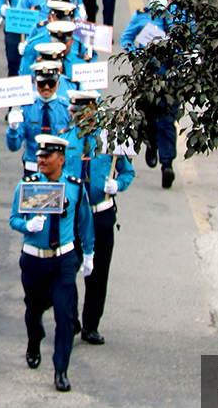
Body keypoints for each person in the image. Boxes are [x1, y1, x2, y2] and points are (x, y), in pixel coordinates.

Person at [10, 134, 94, 393]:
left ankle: (61, 369)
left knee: (65, 315)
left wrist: (88, 253)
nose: (40, 160)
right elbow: (14, 219)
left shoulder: (75, 186)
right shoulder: (28, 185)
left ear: (61, 159)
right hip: (35, 258)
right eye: (39, 156)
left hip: (63, 260)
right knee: (33, 311)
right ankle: (34, 340)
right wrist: (28, 225)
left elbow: (84, 221)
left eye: (46, 157)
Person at [73, 92, 135, 347]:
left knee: (98, 273)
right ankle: (70, 318)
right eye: (75, 112)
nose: (80, 116)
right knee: (69, 268)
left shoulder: (110, 138)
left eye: (85, 111)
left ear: (94, 110)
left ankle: (91, 325)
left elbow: (127, 172)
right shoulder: (66, 139)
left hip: (101, 213)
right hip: (75, 216)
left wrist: (117, 184)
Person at [120, 0, 181, 187]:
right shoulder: (143, 16)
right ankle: (152, 144)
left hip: (170, 78)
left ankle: (167, 164)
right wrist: (138, 55)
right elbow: (126, 38)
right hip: (148, 79)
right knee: (148, 119)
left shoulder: (179, 18)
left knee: (167, 121)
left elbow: (190, 43)